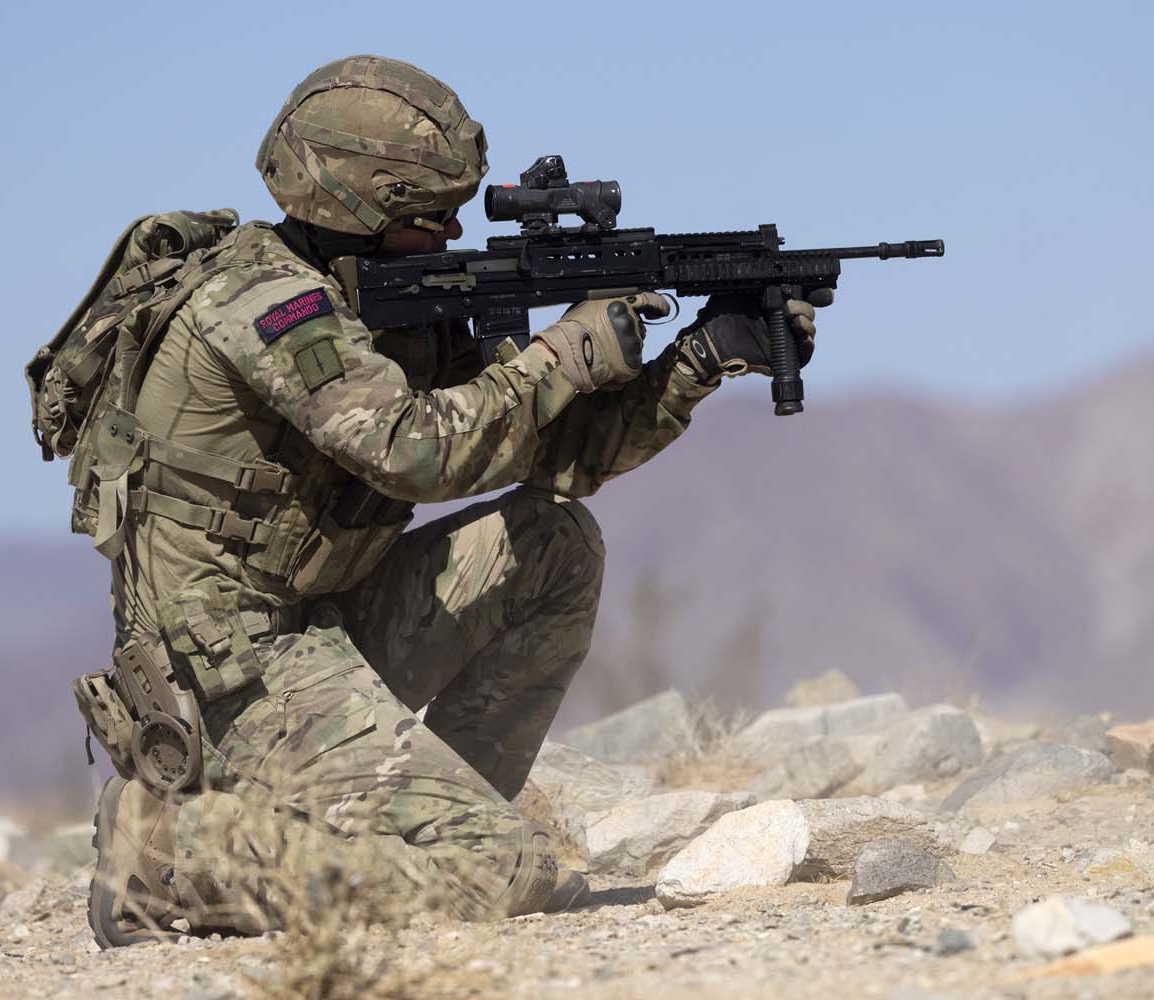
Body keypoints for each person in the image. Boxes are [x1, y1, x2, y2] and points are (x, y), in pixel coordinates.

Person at [83, 54, 824, 947]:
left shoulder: (389, 302)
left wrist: (699, 362)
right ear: (356, 204)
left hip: (319, 632)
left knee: (555, 544)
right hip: (229, 678)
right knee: (505, 877)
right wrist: (567, 354)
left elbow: (554, 456)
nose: (453, 229)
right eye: (429, 216)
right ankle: (174, 854)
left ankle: (446, 823)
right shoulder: (265, 303)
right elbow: (416, 454)